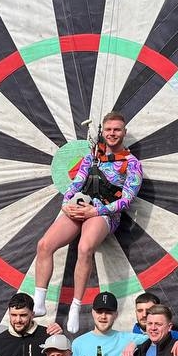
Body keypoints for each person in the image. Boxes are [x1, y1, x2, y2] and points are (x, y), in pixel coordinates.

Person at [32, 111, 143, 333]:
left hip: (105, 214)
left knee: (84, 248)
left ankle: (75, 306)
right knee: (44, 245)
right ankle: (39, 301)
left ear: (124, 132)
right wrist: (66, 203)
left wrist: (96, 211)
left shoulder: (132, 164)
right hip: (82, 205)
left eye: (117, 130)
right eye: (108, 129)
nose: (112, 134)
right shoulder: (92, 157)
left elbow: (127, 199)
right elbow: (77, 182)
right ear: (103, 131)